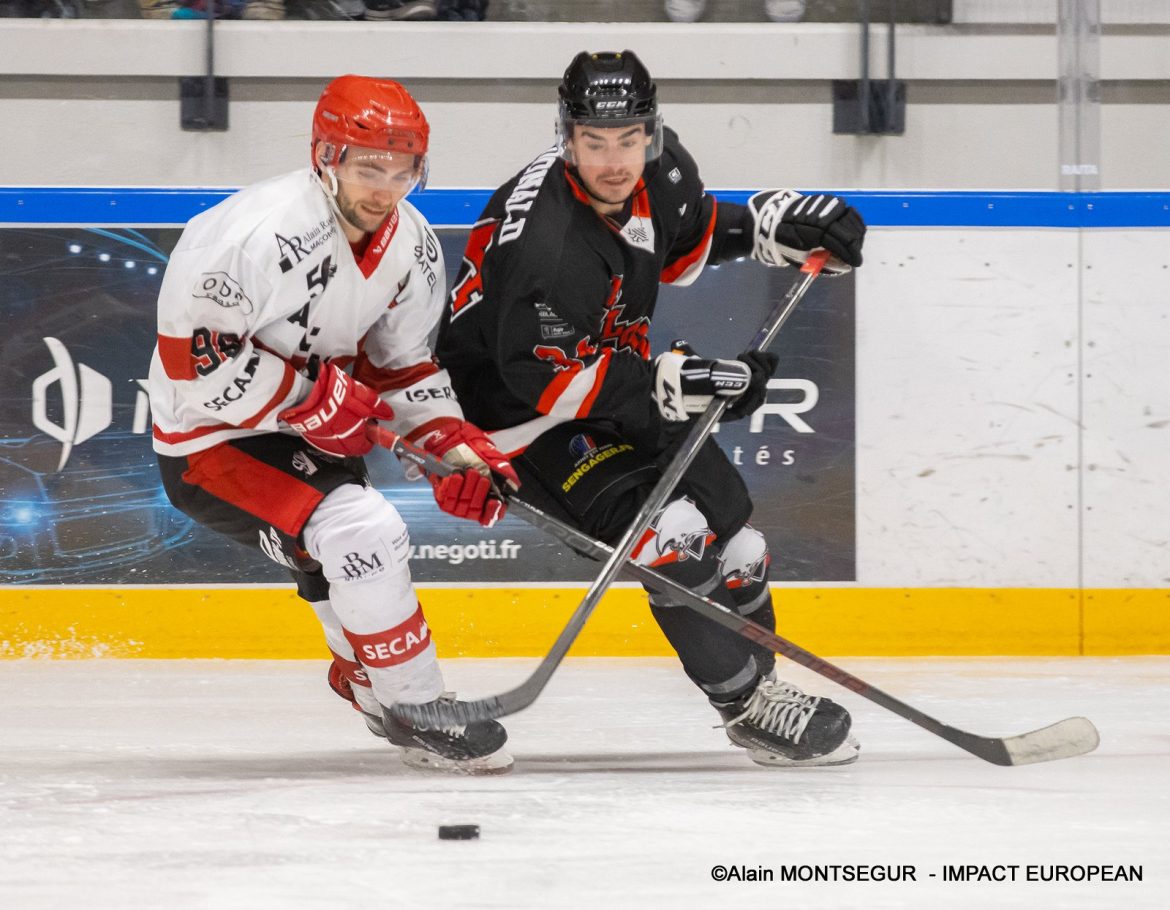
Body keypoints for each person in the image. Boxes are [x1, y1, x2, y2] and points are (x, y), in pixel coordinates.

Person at [436, 50, 867, 767]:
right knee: (670, 535)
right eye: (595, 142)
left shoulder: (661, 175)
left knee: (740, 545)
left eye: (628, 139)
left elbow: (687, 235)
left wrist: (771, 230)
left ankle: (766, 693)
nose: (613, 160)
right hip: (520, 417)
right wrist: (675, 384)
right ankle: (747, 707)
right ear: (566, 136)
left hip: (611, 378)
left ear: (652, 133)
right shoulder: (546, 242)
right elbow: (545, 384)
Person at [148, 75, 518, 774]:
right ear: (326, 156)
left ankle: (368, 683)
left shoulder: (411, 244)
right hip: (211, 440)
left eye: (402, 170)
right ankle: (416, 706)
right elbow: (195, 366)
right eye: (366, 166)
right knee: (361, 531)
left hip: (313, 432)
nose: (384, 188)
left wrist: (448, 443)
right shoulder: (250, 235)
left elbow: (403, 366)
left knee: (342, 544)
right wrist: (301, 397)